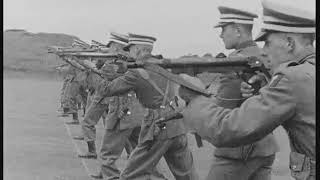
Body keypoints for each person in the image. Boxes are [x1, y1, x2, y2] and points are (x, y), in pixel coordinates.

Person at [179, 0, 315, 179]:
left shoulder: (291, 78)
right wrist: (267, 86)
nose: (263, 51)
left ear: (290, 43)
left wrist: (195, 98)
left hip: (240, 152)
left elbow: (228, 128)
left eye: (267, 43)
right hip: (265, 149)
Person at [99, 33, 198, 180]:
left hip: (157, 127)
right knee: (186, 175)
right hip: (177, 124)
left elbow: (106, 90)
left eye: (131, 49)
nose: (129, 53)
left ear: (139, 50)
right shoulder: (165, 65)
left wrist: (105, 71)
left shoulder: (136, 73)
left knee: (130, 174)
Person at [196, 6, 279, 180]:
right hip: (265, 146)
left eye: (224, 29)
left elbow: (222, 110)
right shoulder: (266, 56)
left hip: (238, 151)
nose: (221, 35)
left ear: (237, 30)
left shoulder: (237, 62)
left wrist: (194, 104)